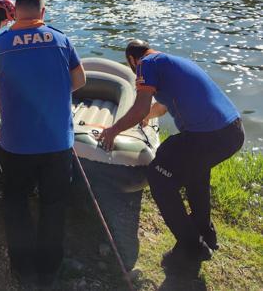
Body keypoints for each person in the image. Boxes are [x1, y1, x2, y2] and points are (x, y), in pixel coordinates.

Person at [100, 39, 244, 270]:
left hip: (207, 135)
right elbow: (161, 106)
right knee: (196, 173)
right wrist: (149, 116)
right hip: (232, 131)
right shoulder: (171, 61)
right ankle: (206, 235)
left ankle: (191, 247)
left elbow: (139, 108)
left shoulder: (146, 64)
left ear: (132, 60)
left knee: (159, 175)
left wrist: (113, 130)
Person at [0, 0, 86, 286]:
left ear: (14, 13)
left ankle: (24, 270)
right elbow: (80, 80)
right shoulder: (61, 40)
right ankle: (50, 271)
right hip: (57, 143)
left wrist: (13, 107)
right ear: (43, 13)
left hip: (16, 143)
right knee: (53, 205)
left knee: (16, 203)